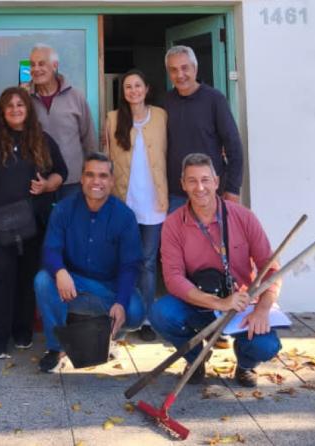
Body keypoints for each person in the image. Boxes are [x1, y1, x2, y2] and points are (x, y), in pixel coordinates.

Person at [150, 153, 282, 388]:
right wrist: (218, 303)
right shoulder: (173, 224)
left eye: (205, 179)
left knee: (266, 346)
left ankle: (245, 364)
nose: (199, 187)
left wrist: (262, 309)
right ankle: (195, 359)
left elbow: (271, 269)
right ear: (182, 184)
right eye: (191, 180)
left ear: (216, 182)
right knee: (161, 312)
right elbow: (173, 279)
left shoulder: (243, 217)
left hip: (242, 304)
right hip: (200, 301)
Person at [0, 86, 67, 359]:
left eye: (20, 105)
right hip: (0, 222)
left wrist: (47, 185)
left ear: (27, 109)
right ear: (2, 110)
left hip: (35, 220)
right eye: (9, 106)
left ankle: (22, 330)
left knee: (28, 275)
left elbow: (62, 172)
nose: (15, 110)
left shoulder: (41, 140)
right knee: (4, 274)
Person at [34, 153, 143, 373]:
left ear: (112, 181)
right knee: (44, 280)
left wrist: (120, 301)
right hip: (75, 282)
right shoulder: (64, 209)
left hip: (108, 288)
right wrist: (60, 271)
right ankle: (56, 348)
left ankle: (111, 337)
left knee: (135, 310)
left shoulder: (125, 216)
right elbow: (51, 249)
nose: (96, 181)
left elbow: (129, 265)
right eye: (90, 175)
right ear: (82, 179)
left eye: (103, 176)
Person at [104, 69, 168, 342]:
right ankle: (122, 315)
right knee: (123, 260)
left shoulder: (161, 116)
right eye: (128, 87)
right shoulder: (113, 118)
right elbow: (106, 157)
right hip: (123, 201)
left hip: (153, 201)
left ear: (146, 89)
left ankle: (146, 318)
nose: (133, 91)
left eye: (137, 85)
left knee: (148, 262)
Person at [164, 45, 244, 213]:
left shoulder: (215, 100)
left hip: (210, 193)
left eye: (185, 68)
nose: (180, 75)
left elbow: (234, 146)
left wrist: (233, 189)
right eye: (173, 70)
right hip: (175, 196)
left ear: (195, 68)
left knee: (213, 240)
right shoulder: (166, 103)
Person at [27, 44, 96, 198]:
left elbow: (89, 139)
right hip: (36, 182)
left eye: (41, 63)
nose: (36, 69)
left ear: (55, 65)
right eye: (32, 64)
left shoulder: (76, 97)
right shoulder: (23, 99)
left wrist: (91, 174)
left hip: (72, 183)